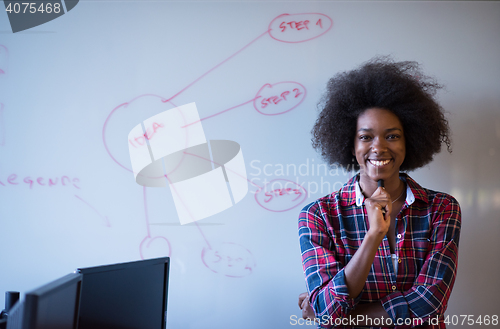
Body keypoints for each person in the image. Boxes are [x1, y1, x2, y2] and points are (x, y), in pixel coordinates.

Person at [297, 57, 461, 328]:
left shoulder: (442, 208)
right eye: (365, 137)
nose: (379, 147)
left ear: (410, 141)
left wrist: (344, 318)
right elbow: (326, 310)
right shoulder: (318, 215)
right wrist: (373, 236)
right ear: (350, 145)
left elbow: (430, 303)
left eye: (392, 136)